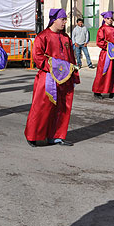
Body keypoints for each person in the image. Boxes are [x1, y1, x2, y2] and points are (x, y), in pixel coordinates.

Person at [24, 8, 79, 147]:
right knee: (42, 107)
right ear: (54, 20)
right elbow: (37, 57)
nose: (65, 22)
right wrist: (55, 67)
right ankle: (33, 135)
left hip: (64, 79)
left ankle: (56, 136)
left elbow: (71, 58)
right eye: (63, 19)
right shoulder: (43, 36)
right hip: (47, 77)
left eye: (65, 19)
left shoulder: (66, 37)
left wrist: (74, 75)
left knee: (62, 107)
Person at [92, 11, 114, 100]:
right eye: (108, 18)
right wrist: (110, 47)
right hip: (106, 54)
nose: (110, 20)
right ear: (104, 19)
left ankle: (113, 92)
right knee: (103, 72)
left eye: (111, 19)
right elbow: (99, 42)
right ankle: (97, 91)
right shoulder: (102, 29)